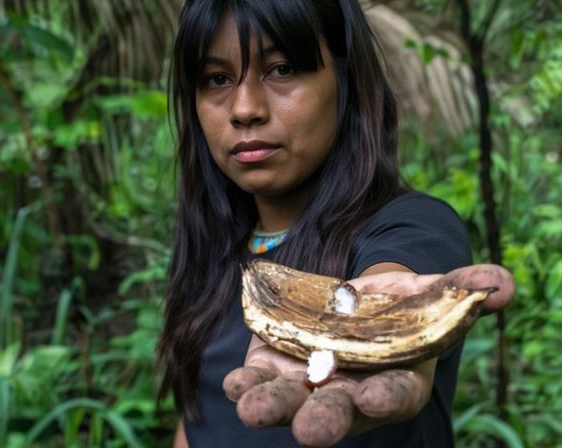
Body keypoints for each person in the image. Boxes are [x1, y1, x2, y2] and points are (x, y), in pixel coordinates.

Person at [157, 1, 515, 446]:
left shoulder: (410, 224)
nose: (244, 108)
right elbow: (198, 417)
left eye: (282, 69)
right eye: (217, 79)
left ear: (345, 81)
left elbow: (394, 277)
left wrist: (384, 319)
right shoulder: (210, 246)